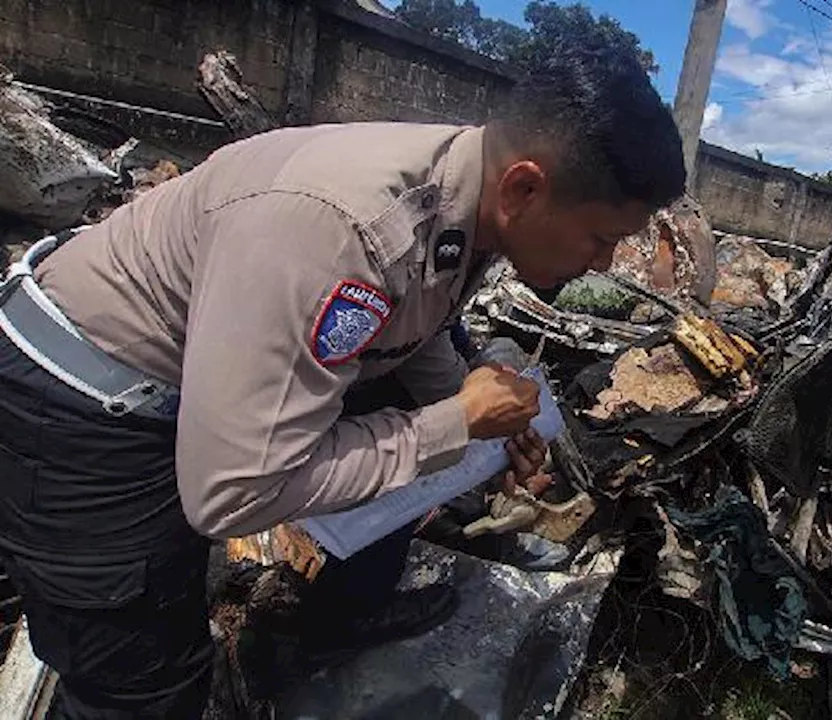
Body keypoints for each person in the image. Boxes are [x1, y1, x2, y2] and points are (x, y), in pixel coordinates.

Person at [0, 40, 685, 718]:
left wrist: (483, 421)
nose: (606, 264)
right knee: (142, 686)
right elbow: (231, 494)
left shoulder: (466, 190)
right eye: (602, 237)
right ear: (525, 189)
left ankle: (334, 621)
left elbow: (411, 318)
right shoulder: (345, 230)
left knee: (402, 405)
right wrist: (457, 422)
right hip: (80, 401)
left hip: (172, 379)